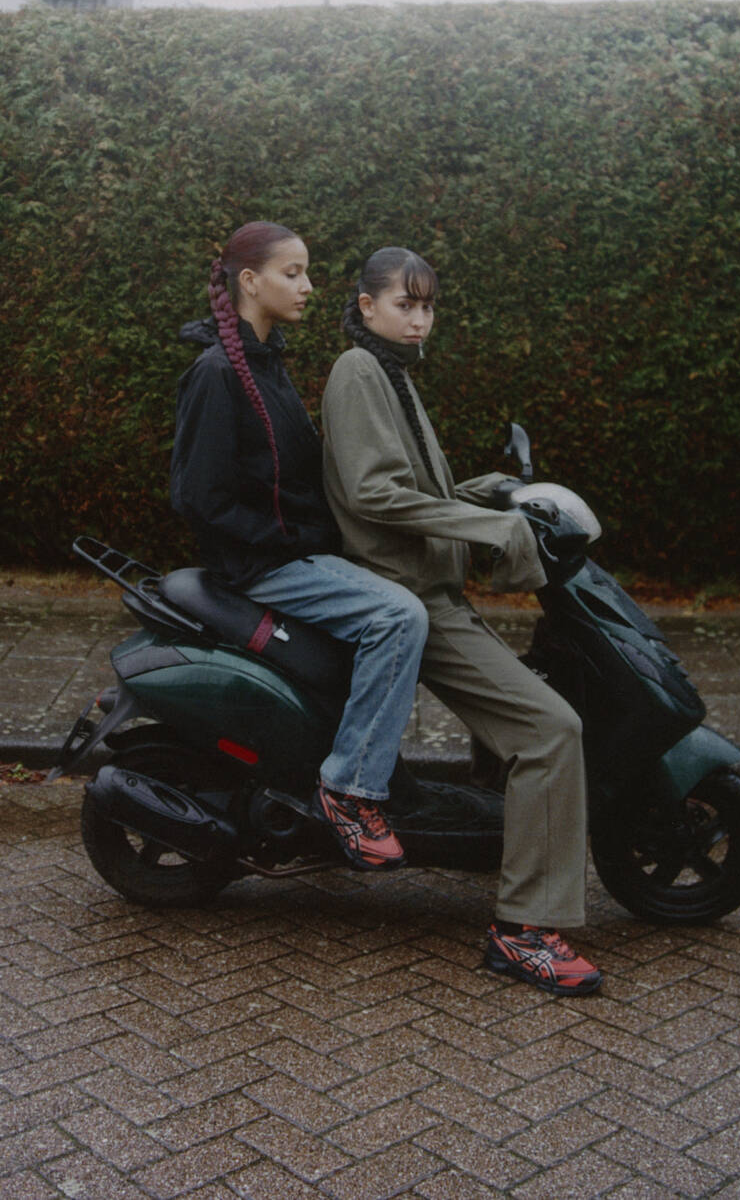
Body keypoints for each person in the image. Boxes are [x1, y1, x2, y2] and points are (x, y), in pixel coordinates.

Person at [321, 246, 601, 996]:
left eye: (428, 307)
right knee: (551, 731)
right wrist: (489, 528)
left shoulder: (392, 373)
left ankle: (509, 860)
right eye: (405, 304)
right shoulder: (359, 372)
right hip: (414, 600)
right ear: (367, 305)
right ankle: (524, 932)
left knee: (535, 721)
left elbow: (416, 486)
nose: (419, 320)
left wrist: (490, 491)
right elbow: (373, 494)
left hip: (435, 592)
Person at [170, 221, 431, 871]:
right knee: (399, 617)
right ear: (250, 282)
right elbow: (198, 496)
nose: (309, 286)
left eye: (306, 272)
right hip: (263, 566)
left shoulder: (267, 362)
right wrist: (289, 539)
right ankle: (350, 789)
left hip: (295, 552)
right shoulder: (216, 373)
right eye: (293, 273)